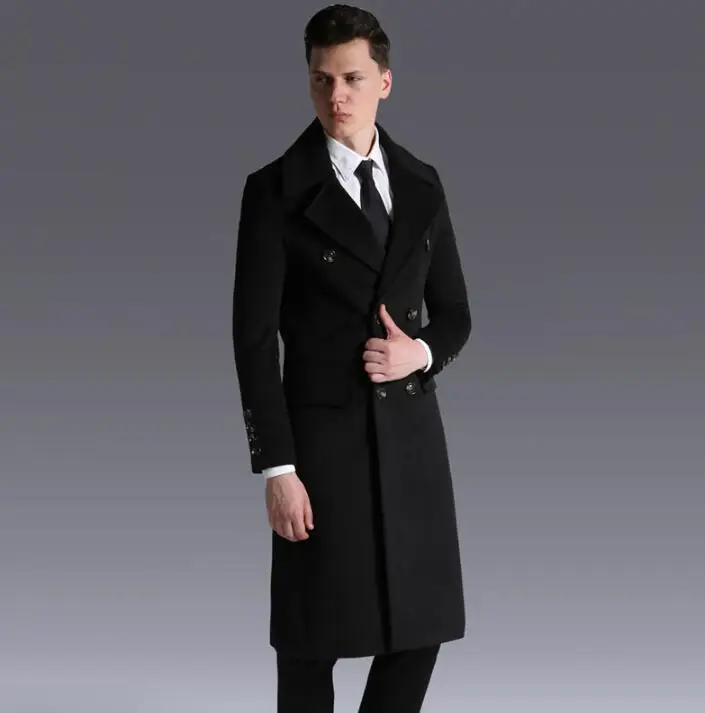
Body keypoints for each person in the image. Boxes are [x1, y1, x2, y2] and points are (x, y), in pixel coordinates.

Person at [232, 5, 471, 711]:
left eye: (352, 78)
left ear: (385, 82)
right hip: (319, 449)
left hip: (410, 440)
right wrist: (277, 469)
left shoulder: (422, 183)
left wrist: (417, 353)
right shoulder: (274, 190)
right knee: (311, 642)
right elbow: (253, 339)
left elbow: (456, 313)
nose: (336, 95)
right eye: (321, 79)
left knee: (420, 629)